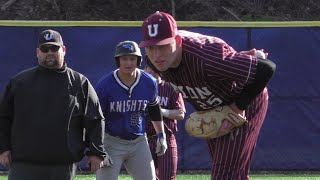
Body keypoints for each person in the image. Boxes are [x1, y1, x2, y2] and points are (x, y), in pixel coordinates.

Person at [139, 11, 276, 180]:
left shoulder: (207, 57)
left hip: (244, 100)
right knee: (231, 173)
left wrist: (237, 107)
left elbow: (266, 68)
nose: (157, 54)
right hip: (213, 109)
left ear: (178, 41)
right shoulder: (154, 61)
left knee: (224, 175)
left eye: (163, 45)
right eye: (151, 47)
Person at [0, 29, 107, 180]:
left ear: (63, 50)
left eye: (54, 48)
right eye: (44, 49)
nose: (49, 52)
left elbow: (95, 119)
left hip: (62, 166)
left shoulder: (79, 82)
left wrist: (96, 152)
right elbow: (3, 117)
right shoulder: (19, 82)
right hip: (24, 164)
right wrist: (3, 148)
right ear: (38, 52)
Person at [94, 40, 167, 180]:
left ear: (138, 60)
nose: (128, 63)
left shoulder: (149, 82)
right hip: (111, 141)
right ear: (118, 61)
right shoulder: (105, 85)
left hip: (138, 141)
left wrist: (161, 136)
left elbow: (154, 108)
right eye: (124, 59)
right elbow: (96, 118)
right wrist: (99, 147)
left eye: (132, 58)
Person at [144, 65, 186, 180]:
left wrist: (160, 111)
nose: (154, 70)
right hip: (144, 139)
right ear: (145, 69)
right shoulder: (140, 88)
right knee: (146, 176)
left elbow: (181, 113)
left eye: (157, 68)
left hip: (166, 137)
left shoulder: (170, 87)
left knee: (167, 177)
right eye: (151, 67)